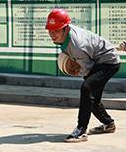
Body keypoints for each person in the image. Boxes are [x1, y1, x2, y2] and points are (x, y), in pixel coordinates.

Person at [46, 8, 120, 143]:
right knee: (92, 98)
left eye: (56, 30)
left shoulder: (77, 45)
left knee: (87, 89)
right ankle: (108, 124)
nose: (52, 34)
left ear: (65, 28)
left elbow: (87, 69)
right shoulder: (67, 34)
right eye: (50, 30)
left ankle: (81, 130)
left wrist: (75, 70)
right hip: (97, 59)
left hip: (108, 63)